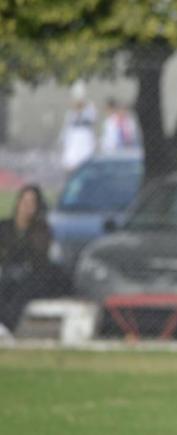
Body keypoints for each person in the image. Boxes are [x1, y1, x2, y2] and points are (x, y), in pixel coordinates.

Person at [0, 185, 57, 337]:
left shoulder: (41, 230)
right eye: (24, 201)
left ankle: (6, 326)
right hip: (7, 272)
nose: (27, 206)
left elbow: (39, 257)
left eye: (31, 203)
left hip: (32, 275)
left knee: (22, 292)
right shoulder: (4, 227)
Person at [59, 83, 97, 173]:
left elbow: (91, 118)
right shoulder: (71, 113)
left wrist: (82, 109)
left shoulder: (89, 109)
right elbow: (67, 127)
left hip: (85, 138)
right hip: (74, 138)